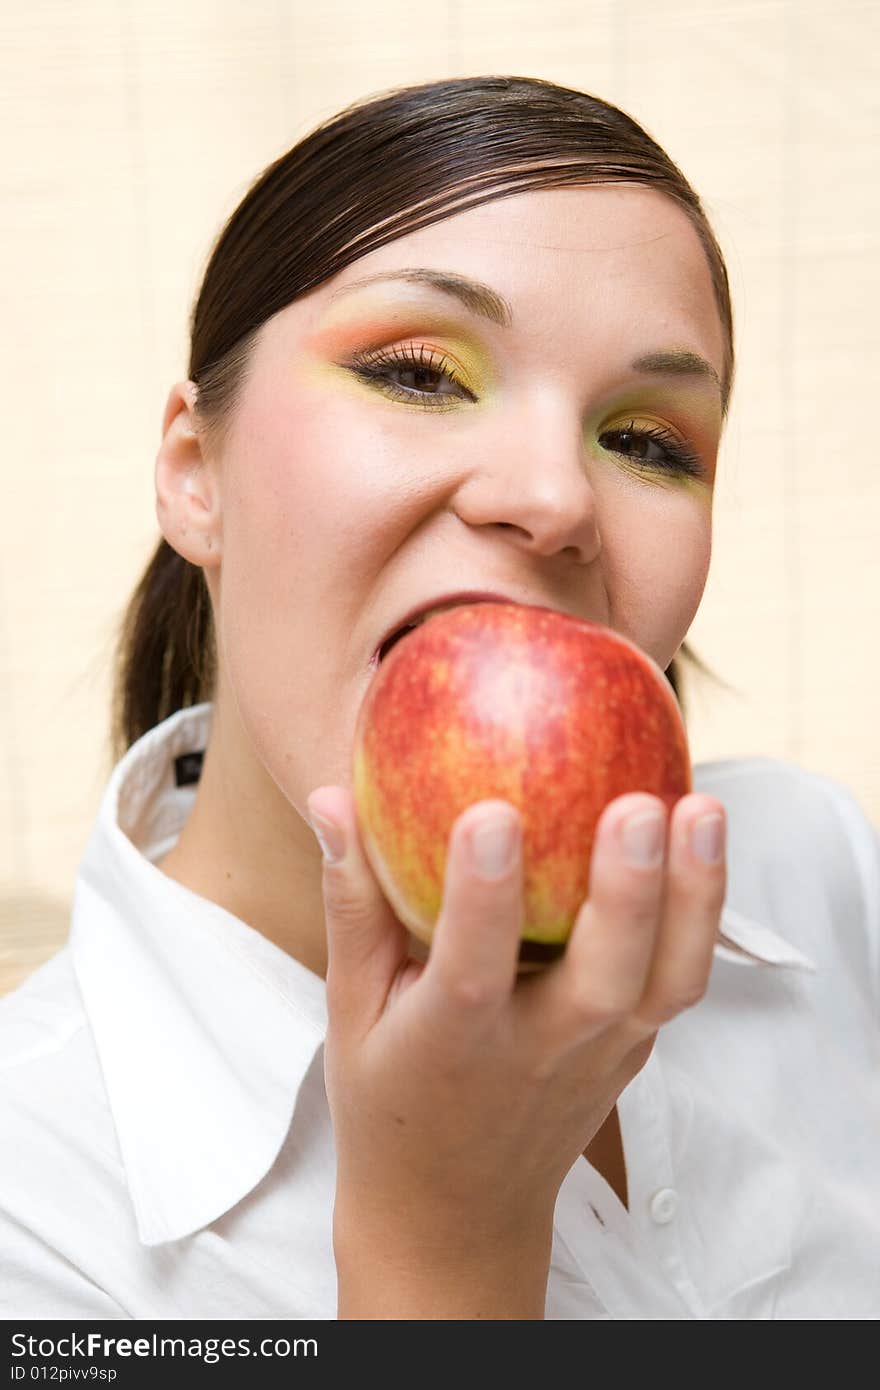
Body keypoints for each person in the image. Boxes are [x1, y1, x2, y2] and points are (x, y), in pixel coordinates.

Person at [1, 74, 877, 1322]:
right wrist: (444, 1245)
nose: (555, 497)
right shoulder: (32, 1206)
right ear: (195, 472)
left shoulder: (817, 874)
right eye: (418, 375)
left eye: (645, 441)